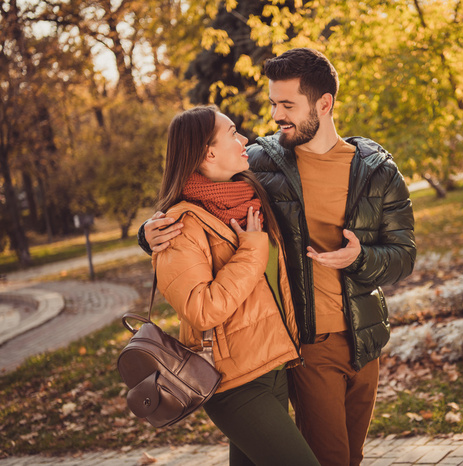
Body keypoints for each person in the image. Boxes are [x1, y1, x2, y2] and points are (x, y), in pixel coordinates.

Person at [139, 48, 416, 466]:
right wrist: (148, 234)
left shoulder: (376, 169)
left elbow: (403, 255)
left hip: (365, 337)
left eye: (287, 105)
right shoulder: (264, 162)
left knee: (349, 457)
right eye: (273, 103)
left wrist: (360, 259)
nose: (275, 115)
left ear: (324, 104)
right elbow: (193, 193)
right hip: (306, 343)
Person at [150, 105, 320, 466]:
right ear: (207, 152)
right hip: (236, 381)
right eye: (232, 133)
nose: (244, 139)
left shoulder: (247, 200)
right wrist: (253, 250)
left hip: (274, 367)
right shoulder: (179, 226)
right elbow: (202, 309)